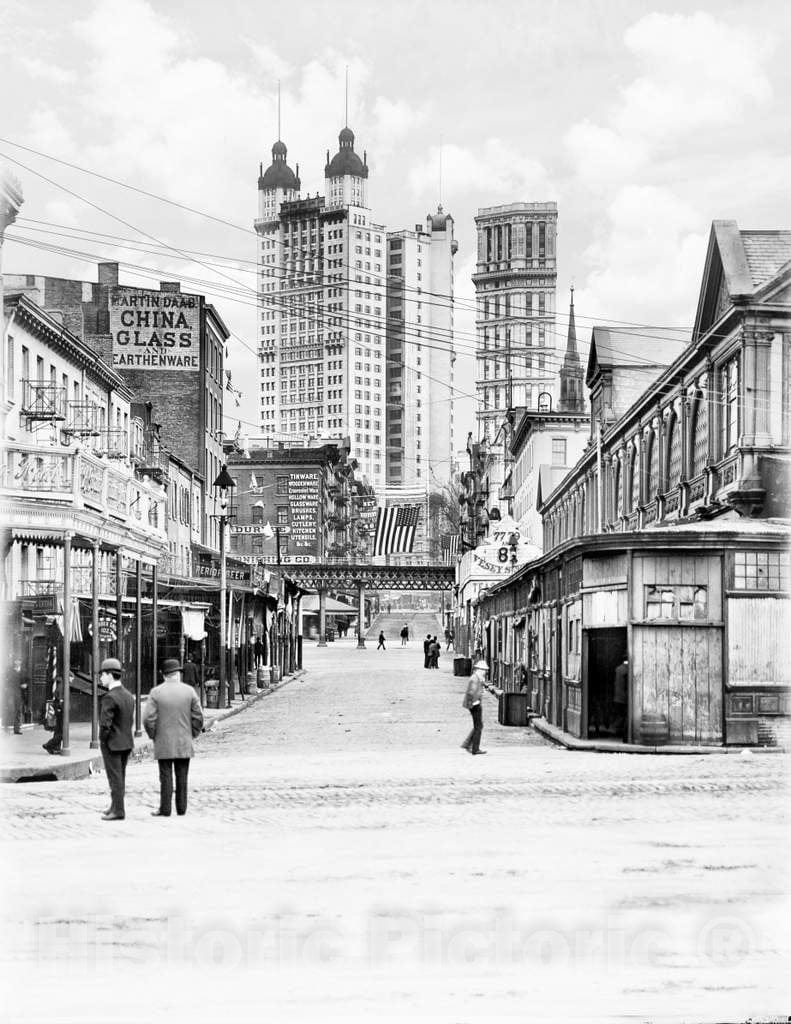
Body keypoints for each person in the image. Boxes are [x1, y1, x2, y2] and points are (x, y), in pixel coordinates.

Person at [143, 658, 204, 817]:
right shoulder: (189, 691)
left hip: (164, 741)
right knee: (182, 775)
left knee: (165, 776)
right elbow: (198, 716)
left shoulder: (156, 692)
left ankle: (165, 809)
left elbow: (148, 718)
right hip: (184, 740)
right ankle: (181, 808)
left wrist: (153, 735)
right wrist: (193, 733)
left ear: (164, 675)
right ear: (178, 674)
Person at [98, 657, 135, 821]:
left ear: (110, 675)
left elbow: (105, 724)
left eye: (102, 675)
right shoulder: (128, 695)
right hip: (126, 741)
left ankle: (118, 810)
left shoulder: (109, 697)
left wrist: (103, 740)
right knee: (120, 776)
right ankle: (115, 805)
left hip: (112, 743)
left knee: (114, 778)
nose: (101, 678)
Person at [461, 659, 502, 755]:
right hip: (475, 705)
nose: (485, 672)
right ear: (479, 669)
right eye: (484, 670)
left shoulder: (477, 678)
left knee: (478, 725)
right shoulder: (475, 679)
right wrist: (473, 703)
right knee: (478, 726)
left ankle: (467, 744)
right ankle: (474, 748)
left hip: (474, 704)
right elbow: (471, 692)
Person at [42, 673, 67, 755]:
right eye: (72, 678)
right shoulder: (63, 686)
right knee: (62, 733)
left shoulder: (59, 685)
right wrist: (61, 709)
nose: (72, 680)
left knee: (58, 731)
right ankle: (49, 745)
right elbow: (60, 700)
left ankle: (54, 747)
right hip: (61, 711)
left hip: (59, 710)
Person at [612, 654, 629, 739]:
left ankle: (617, 729)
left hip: (617, 697)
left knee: (619, 715)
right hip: (624, 698)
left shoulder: (618, 669)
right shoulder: (628, 670)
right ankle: (623, 732)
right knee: (625, 716)